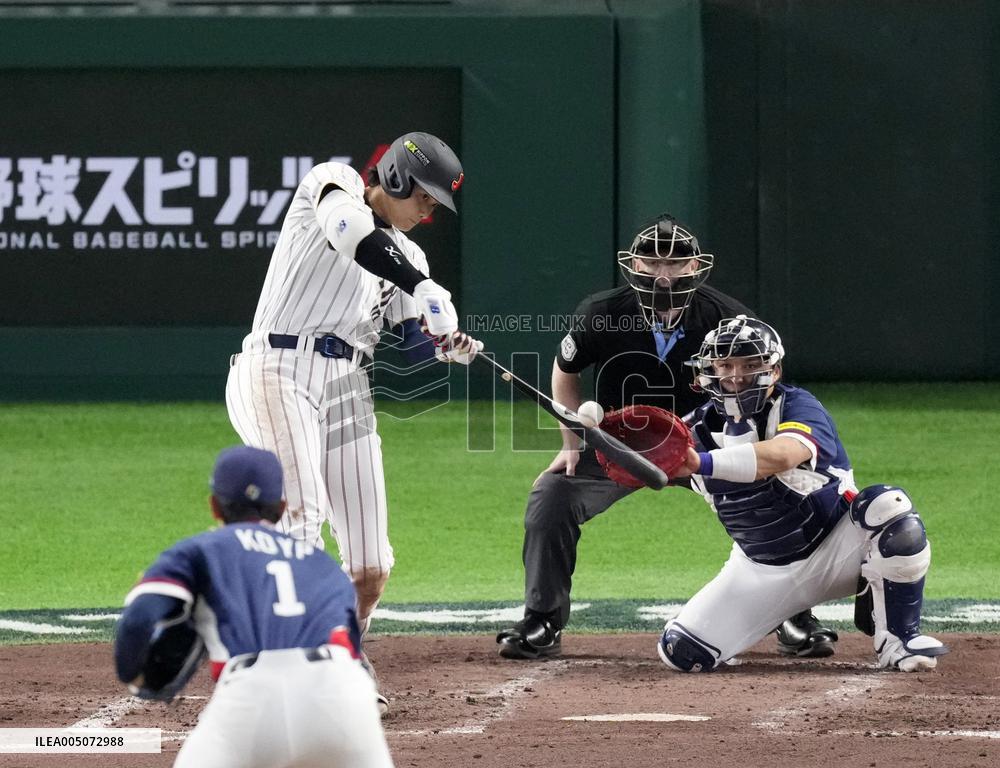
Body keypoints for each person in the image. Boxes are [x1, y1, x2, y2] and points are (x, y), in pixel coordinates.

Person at [496, 213, 836, 660]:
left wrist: (746, 445)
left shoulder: (728, 317)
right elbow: (565, 370)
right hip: (622, 445)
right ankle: (542, 619)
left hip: (707, 442)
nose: (663, 275)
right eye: (651, 263)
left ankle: (793, 615)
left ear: (696, 267)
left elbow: (762, 378)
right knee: (551, 495)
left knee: (779, 499)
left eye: (675, 264)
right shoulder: (602, 314)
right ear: (632, 265)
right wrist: (571, 440)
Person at [225, 132, 482, 711]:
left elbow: (416, 342)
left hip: (346, 388)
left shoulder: (410, 258)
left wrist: (447, 342)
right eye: (425, 195)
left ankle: (340, 647)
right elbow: (352, 236)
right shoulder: (331, 184)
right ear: (393, 176)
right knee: (300, 514)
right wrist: (425, 288)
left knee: (371, 565)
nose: (429, 210)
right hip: (275, 369)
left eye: (437, 202)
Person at [659, 316, 948, 672]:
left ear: (774, 370)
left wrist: (699, 462)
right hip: (761, 569)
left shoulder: (797, 406)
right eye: (725, 364)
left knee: (889, 508)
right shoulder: (692, 430)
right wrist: (626, 459)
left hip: (839, 550)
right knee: (683, 652)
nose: (736, 376)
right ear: (706, 370)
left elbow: (782, 455)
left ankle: (898, 638)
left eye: (751, 365)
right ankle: (784, 617)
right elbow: (644, 470)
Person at [114, 445, 394, 767]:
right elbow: (351, 649)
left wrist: (132, 675)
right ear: (282, 507)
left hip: (251, 701)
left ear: (214, 506)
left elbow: (139, 618)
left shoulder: (198, 552)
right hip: (344, 699)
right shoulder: (324, 566)